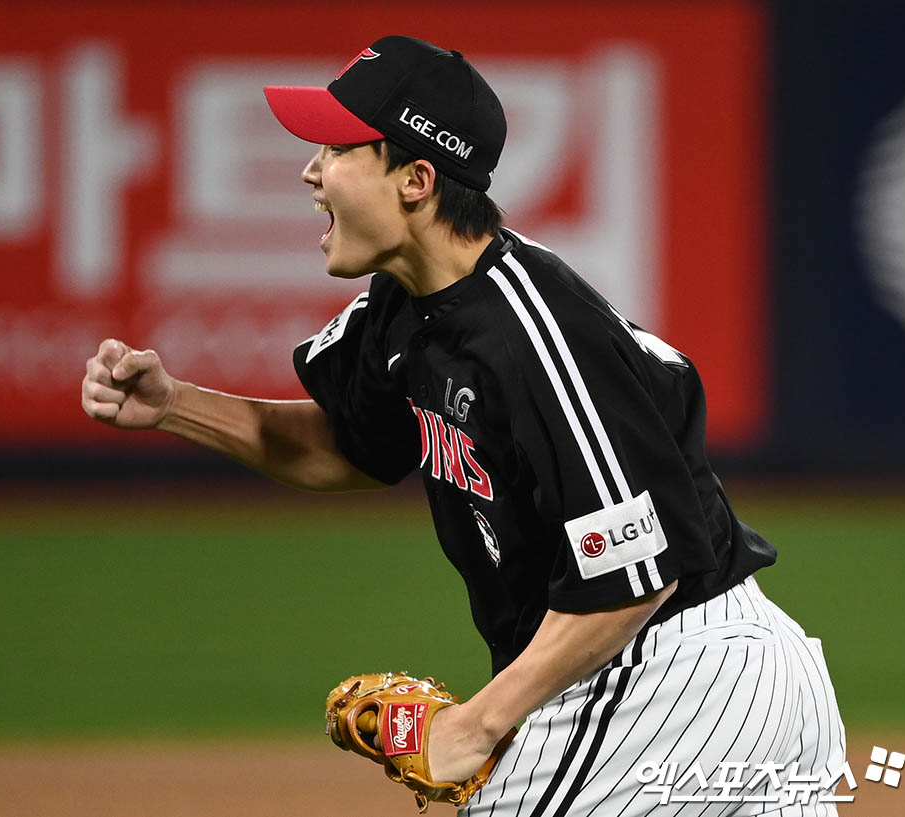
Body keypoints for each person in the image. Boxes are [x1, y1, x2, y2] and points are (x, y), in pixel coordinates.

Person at [82, 35, 846, 816]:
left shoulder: (537, 333)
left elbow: (636, 573)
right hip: (675, 670)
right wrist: (176, 405)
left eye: (339, 148)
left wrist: (475, 725)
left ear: (415, 179)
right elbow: (347, 444)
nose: (311, 172)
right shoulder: (401, 307)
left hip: (676, 671)